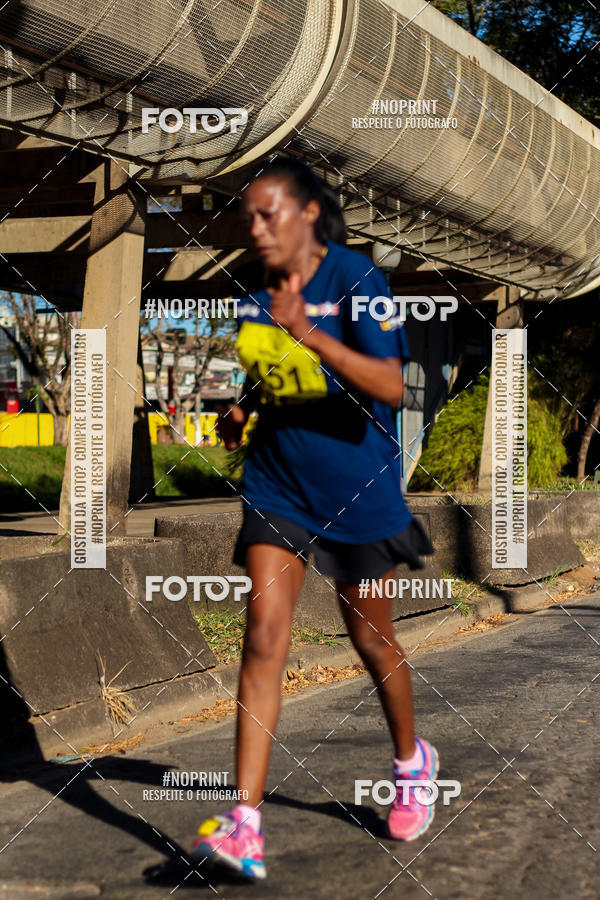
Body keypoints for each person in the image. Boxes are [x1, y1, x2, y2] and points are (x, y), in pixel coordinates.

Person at [191, 156, 437, 881]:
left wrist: (316, 336)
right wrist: (243, 408)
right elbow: (270, 373)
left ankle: (411, 762)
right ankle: (244, 824)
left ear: (306, 212)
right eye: (249, 217)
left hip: (357, 490)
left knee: (370, 638)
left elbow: (392, 385)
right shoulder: (257, 293)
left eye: (269, 214)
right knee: (264, 635)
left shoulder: (354, 278)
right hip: (277, 486)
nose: (256, 228)